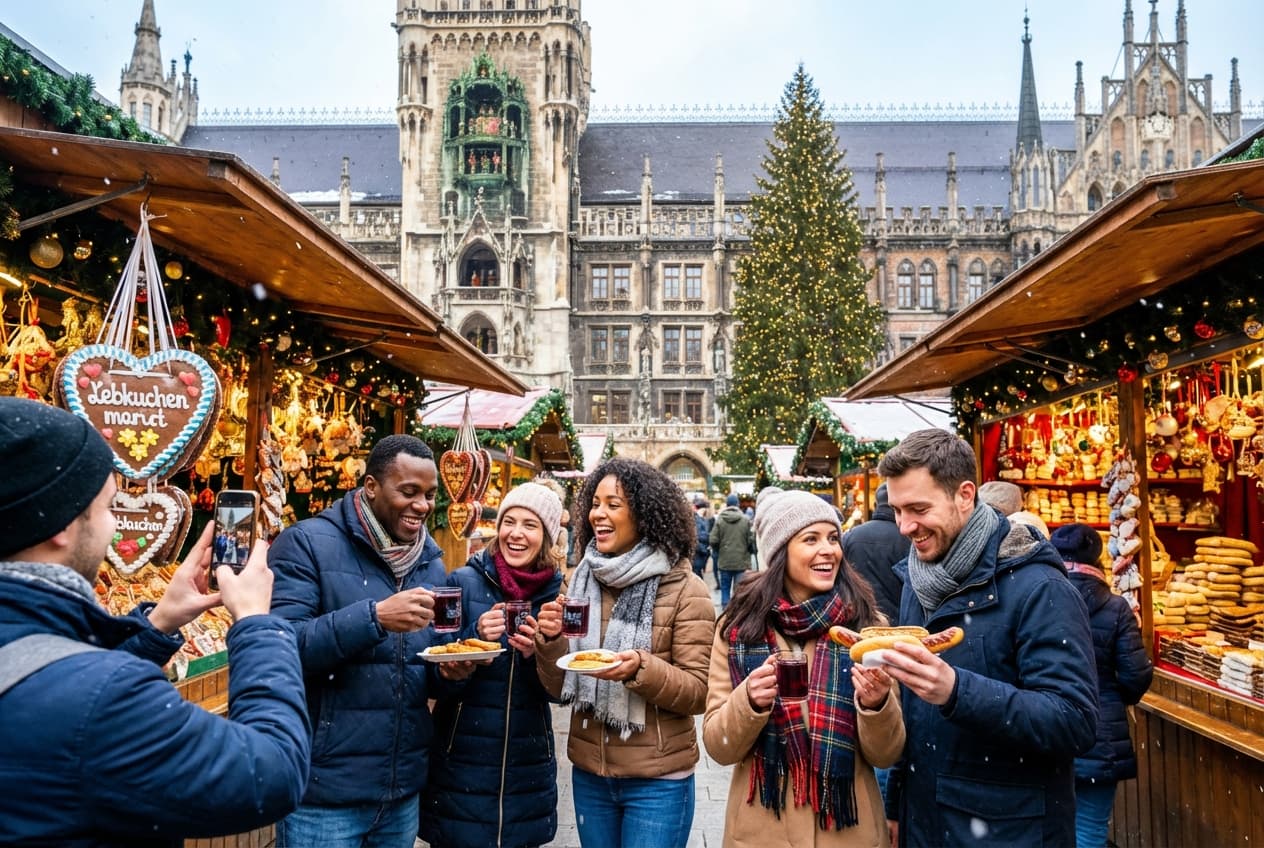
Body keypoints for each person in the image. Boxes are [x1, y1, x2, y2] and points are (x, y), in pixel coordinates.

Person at [0, 397, 309, 847]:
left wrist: (157, 624)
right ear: (61, 525)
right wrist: (257, 624)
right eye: (109, 509)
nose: (113, 529)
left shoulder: (75, 685)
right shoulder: (105, 699)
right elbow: (274, 772)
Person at [875, 429, 1098, 847]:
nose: (904, 526)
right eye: (897, 510)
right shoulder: (917, 581)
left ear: (964, 495)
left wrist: (956, 690)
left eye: (918, 508)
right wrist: (895, 805)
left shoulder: (1039, 587)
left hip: (1011, 832)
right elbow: (915, 722)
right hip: (927, 825)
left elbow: (1075, 721)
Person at [269, 434, 475, 848]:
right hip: (323, 792)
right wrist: (375, 617)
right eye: (409, 492)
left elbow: (424, 674)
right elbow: (278, 649)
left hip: (399, 791)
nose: (421, 505)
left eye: (430, 494)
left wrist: (453, 673)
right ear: (371, 488)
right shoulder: (306, 543)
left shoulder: (429, 563)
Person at [704, 489, 904, 847]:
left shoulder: (867, 627)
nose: (828, 549)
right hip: (761, 832)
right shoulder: (738, 630)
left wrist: (876, 705)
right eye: (810, 539)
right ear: (779, 553)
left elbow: (886, 753)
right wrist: (747, 702)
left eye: (832, 538)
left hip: (849, 831)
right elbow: (719, 748)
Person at [533, 458, 716, 848]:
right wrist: (550, 643)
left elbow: (700, 691)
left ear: (645, 514)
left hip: (658, 782)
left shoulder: (686, 589)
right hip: (589, 773)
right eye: (595, 503)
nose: (599, 512)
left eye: (613, 504)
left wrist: (641, 669)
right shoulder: (580, 581)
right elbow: (560, 685)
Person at [420, 482, 565, 848]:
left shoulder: (557, 598)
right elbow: (433, 675)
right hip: (460, 763)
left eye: (530, 525)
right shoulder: (460, 583)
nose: (516, 533)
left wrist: (542, 651)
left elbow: (563, 692)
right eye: (509, 522)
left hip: (526, 765)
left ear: (546, 536)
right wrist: (474, 634)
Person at [1051, 523, 1153, 848]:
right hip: (1100, 733)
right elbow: (1136, 674)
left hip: (1049, 730)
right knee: (1090, 830)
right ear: (1096, 558)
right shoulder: (1116, 607)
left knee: (1051, 827)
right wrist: (1111, 698)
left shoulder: (1041, 600)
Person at [841, 483, 907, 624]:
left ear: (876, 504)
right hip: (903, 622)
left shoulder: (852, 536)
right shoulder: (910, 536)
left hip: (863, 620)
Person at [711, 493, 754, 607]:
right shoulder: (745, 520)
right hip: (741, 562)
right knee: (738, 591)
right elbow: (750, 540)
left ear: (727, 504)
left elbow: (713, 540)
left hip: (724, 562)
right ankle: (736, 616)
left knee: (725, 589)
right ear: (737, 504)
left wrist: (720, 550)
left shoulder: (720, 519)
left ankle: (725, 615)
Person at [692, 498, 712, 583]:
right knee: (697, 576)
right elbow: (699, 536)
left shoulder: (703, 519)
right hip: (699, 553)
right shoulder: (697, 519)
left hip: (701, 553)